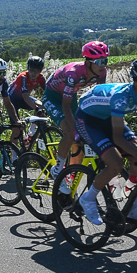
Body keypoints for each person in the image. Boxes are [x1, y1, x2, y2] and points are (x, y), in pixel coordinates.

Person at [70, 59, 137, 226]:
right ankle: (88, 198)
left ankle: (132, 208)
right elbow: (117, 138)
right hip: (88, 120)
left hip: (109, 118)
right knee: (116, 163)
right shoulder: (121, 97)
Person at [42, 41, 109, 178]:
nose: (102, 65)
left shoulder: (102, 73)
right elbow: (65, 106)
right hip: (53, 97)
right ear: (88, 62)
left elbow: (101, 98)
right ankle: (58, 168)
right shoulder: (74, 73)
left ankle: (72, 173)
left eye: (105, 60)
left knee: (81, 138)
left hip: (70, 96)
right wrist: (74, 129)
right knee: (71, 132)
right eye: (98, 62)